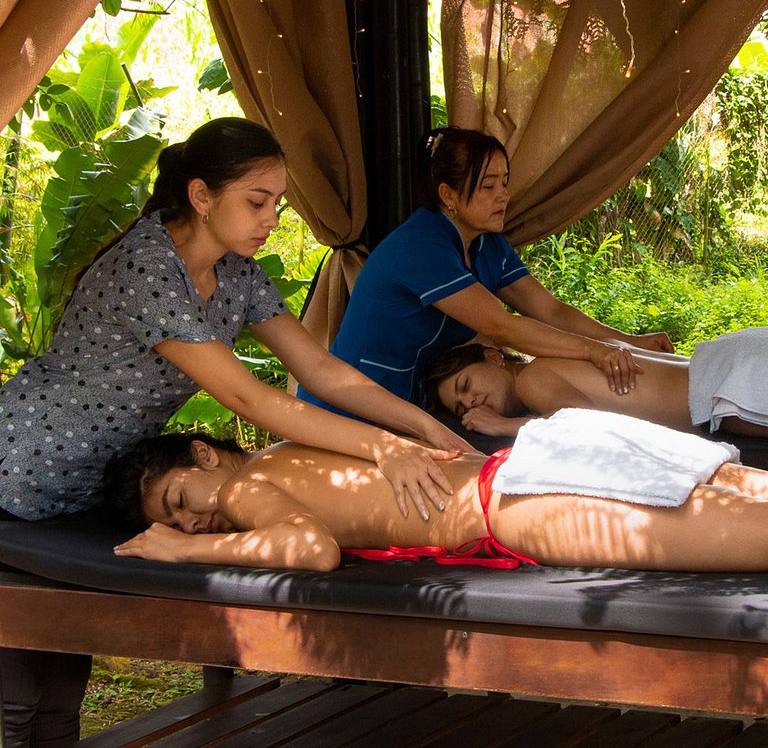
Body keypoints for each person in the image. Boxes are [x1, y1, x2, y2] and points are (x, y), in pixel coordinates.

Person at [0, 117, 474, 747]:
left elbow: (322, 370)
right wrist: (382, 449)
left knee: (60, 677)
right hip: (18, 468)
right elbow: (248, 397)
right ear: (201, 196)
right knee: (18, 693)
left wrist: (420, 426)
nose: (272, 217)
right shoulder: (147, 267)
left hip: (96, 483)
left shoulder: (237, 276)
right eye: (257, 201)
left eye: (277, 202)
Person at [103, 409, 768, 575]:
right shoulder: (289, 447)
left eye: (180, 502)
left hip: (520, 498)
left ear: (204, 455)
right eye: (180, 526)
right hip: (542, 457)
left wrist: (182, 555)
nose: (193, 523)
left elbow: (308, 549)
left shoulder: (248, 488)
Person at [298, 126, 673, 413]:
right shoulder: (421, 245)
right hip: (347, 406)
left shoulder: (486, 242)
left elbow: (550, 310)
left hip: (407, 405)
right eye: (488, 185)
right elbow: (502, 326)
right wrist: (593, 352)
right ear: (448, 195)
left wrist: (627, 342)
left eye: (505, 183)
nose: (503, 196)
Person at [423, 329, 768, 440]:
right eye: (459, 406)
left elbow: (579, 423)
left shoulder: (531, 378)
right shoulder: (561, 354)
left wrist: (503, 425)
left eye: (465, 385)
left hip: (727, 387)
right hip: (731, 359)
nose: (469, 402)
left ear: (494, 357)